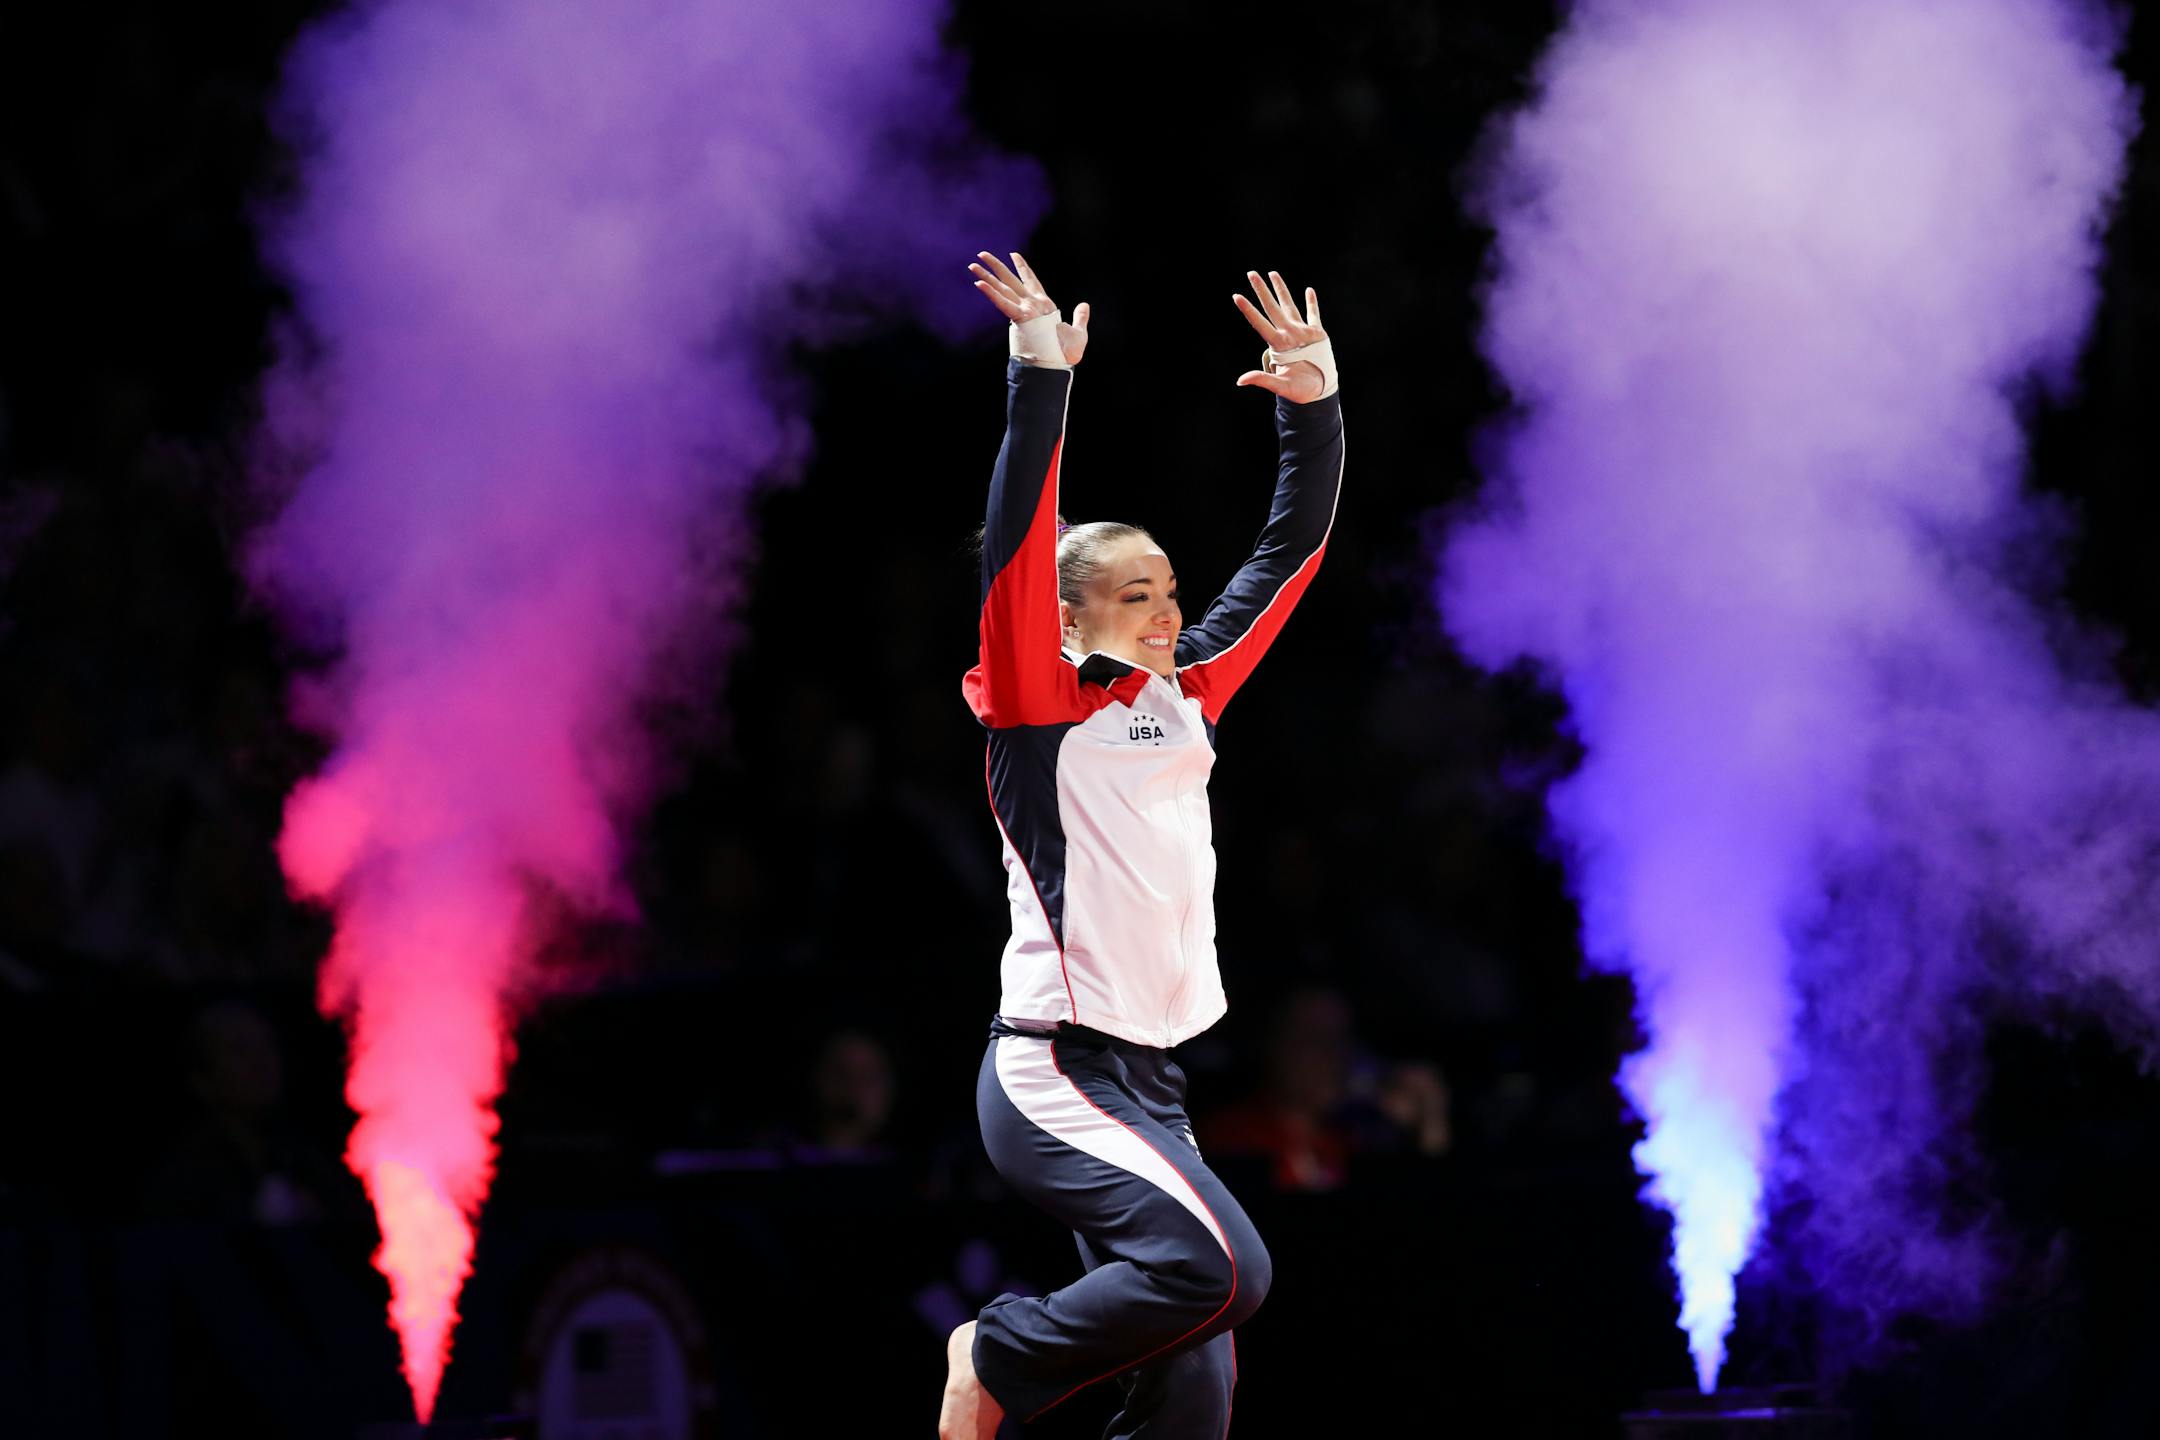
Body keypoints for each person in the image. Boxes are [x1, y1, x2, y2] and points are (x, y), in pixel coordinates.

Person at [938, 251, 1344, 1440]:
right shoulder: (1037, 702)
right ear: (1066, 622)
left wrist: (1315, 407)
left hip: (1153, 1084)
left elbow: (1288, 554)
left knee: (1195, 1388)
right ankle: (997, 1351)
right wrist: (1040, 376)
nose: (1168, 613)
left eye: (1169, 591)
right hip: (1055, 1072)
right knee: (1227, 1272)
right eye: (1134, 597)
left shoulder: (1189, 693)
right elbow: (1018, 539)